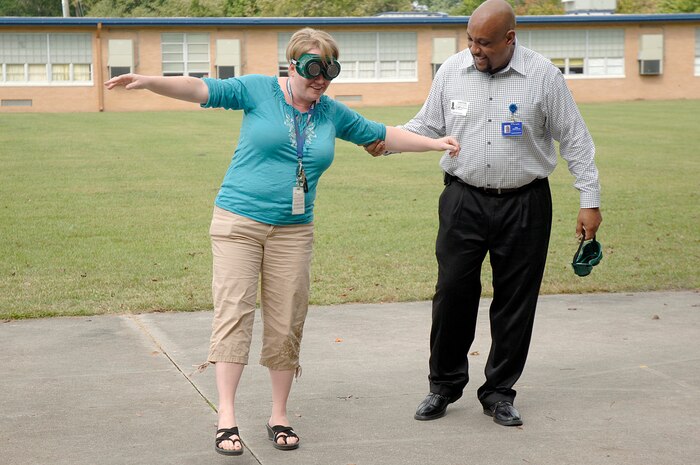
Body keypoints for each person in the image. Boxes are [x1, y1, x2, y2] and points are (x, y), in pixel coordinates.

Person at [105, 28, 459, 455]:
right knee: (234, 311)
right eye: (313, 68)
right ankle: (227, 418)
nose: (322, 78)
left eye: (331, 69)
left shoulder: (330, 112)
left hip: (294, 230)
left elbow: (382, 133)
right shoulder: (257, 90)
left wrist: (434, 143)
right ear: (291, 65)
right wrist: (149, 80)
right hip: (238, 222)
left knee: (287, 318)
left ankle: (278, 414)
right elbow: (202, 88)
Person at [366, 0, 602, 427]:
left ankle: (498, 393)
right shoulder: (452, 71)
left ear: (510, 38)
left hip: (525, 203)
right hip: (463, 200)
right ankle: (443, 386)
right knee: (452, 293)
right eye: (471, 40)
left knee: (515, 301)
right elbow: (426, 125)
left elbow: (576, 140)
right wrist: (386, 139)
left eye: (486, 44)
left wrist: (590, 200)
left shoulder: (544, 77)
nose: (476, 50)